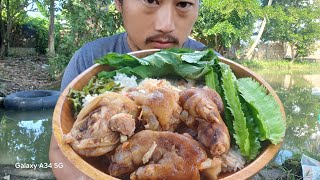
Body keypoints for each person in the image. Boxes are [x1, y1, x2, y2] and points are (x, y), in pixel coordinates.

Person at [49, 0, 207, 179]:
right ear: (119, 3)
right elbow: (60, 151)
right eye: (151, 1)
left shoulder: (210, 64)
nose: (166, 25)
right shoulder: (89, 59)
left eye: (183, 4)